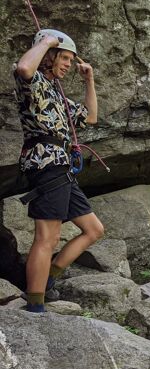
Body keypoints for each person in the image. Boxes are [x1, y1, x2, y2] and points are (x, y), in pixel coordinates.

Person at [14, 29, 103, 313]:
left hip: (61, 167)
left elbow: (90, 116)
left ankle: (47, 277)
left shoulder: (57, 93)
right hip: (45, 162)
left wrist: (89, 80)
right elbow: (24, 67)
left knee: (93, 230)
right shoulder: (34, 82)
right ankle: (35, 305)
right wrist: (46, 42)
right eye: (63, 58)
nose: (68, 64)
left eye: (70, 59)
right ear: (50, 55)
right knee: (47, 237)